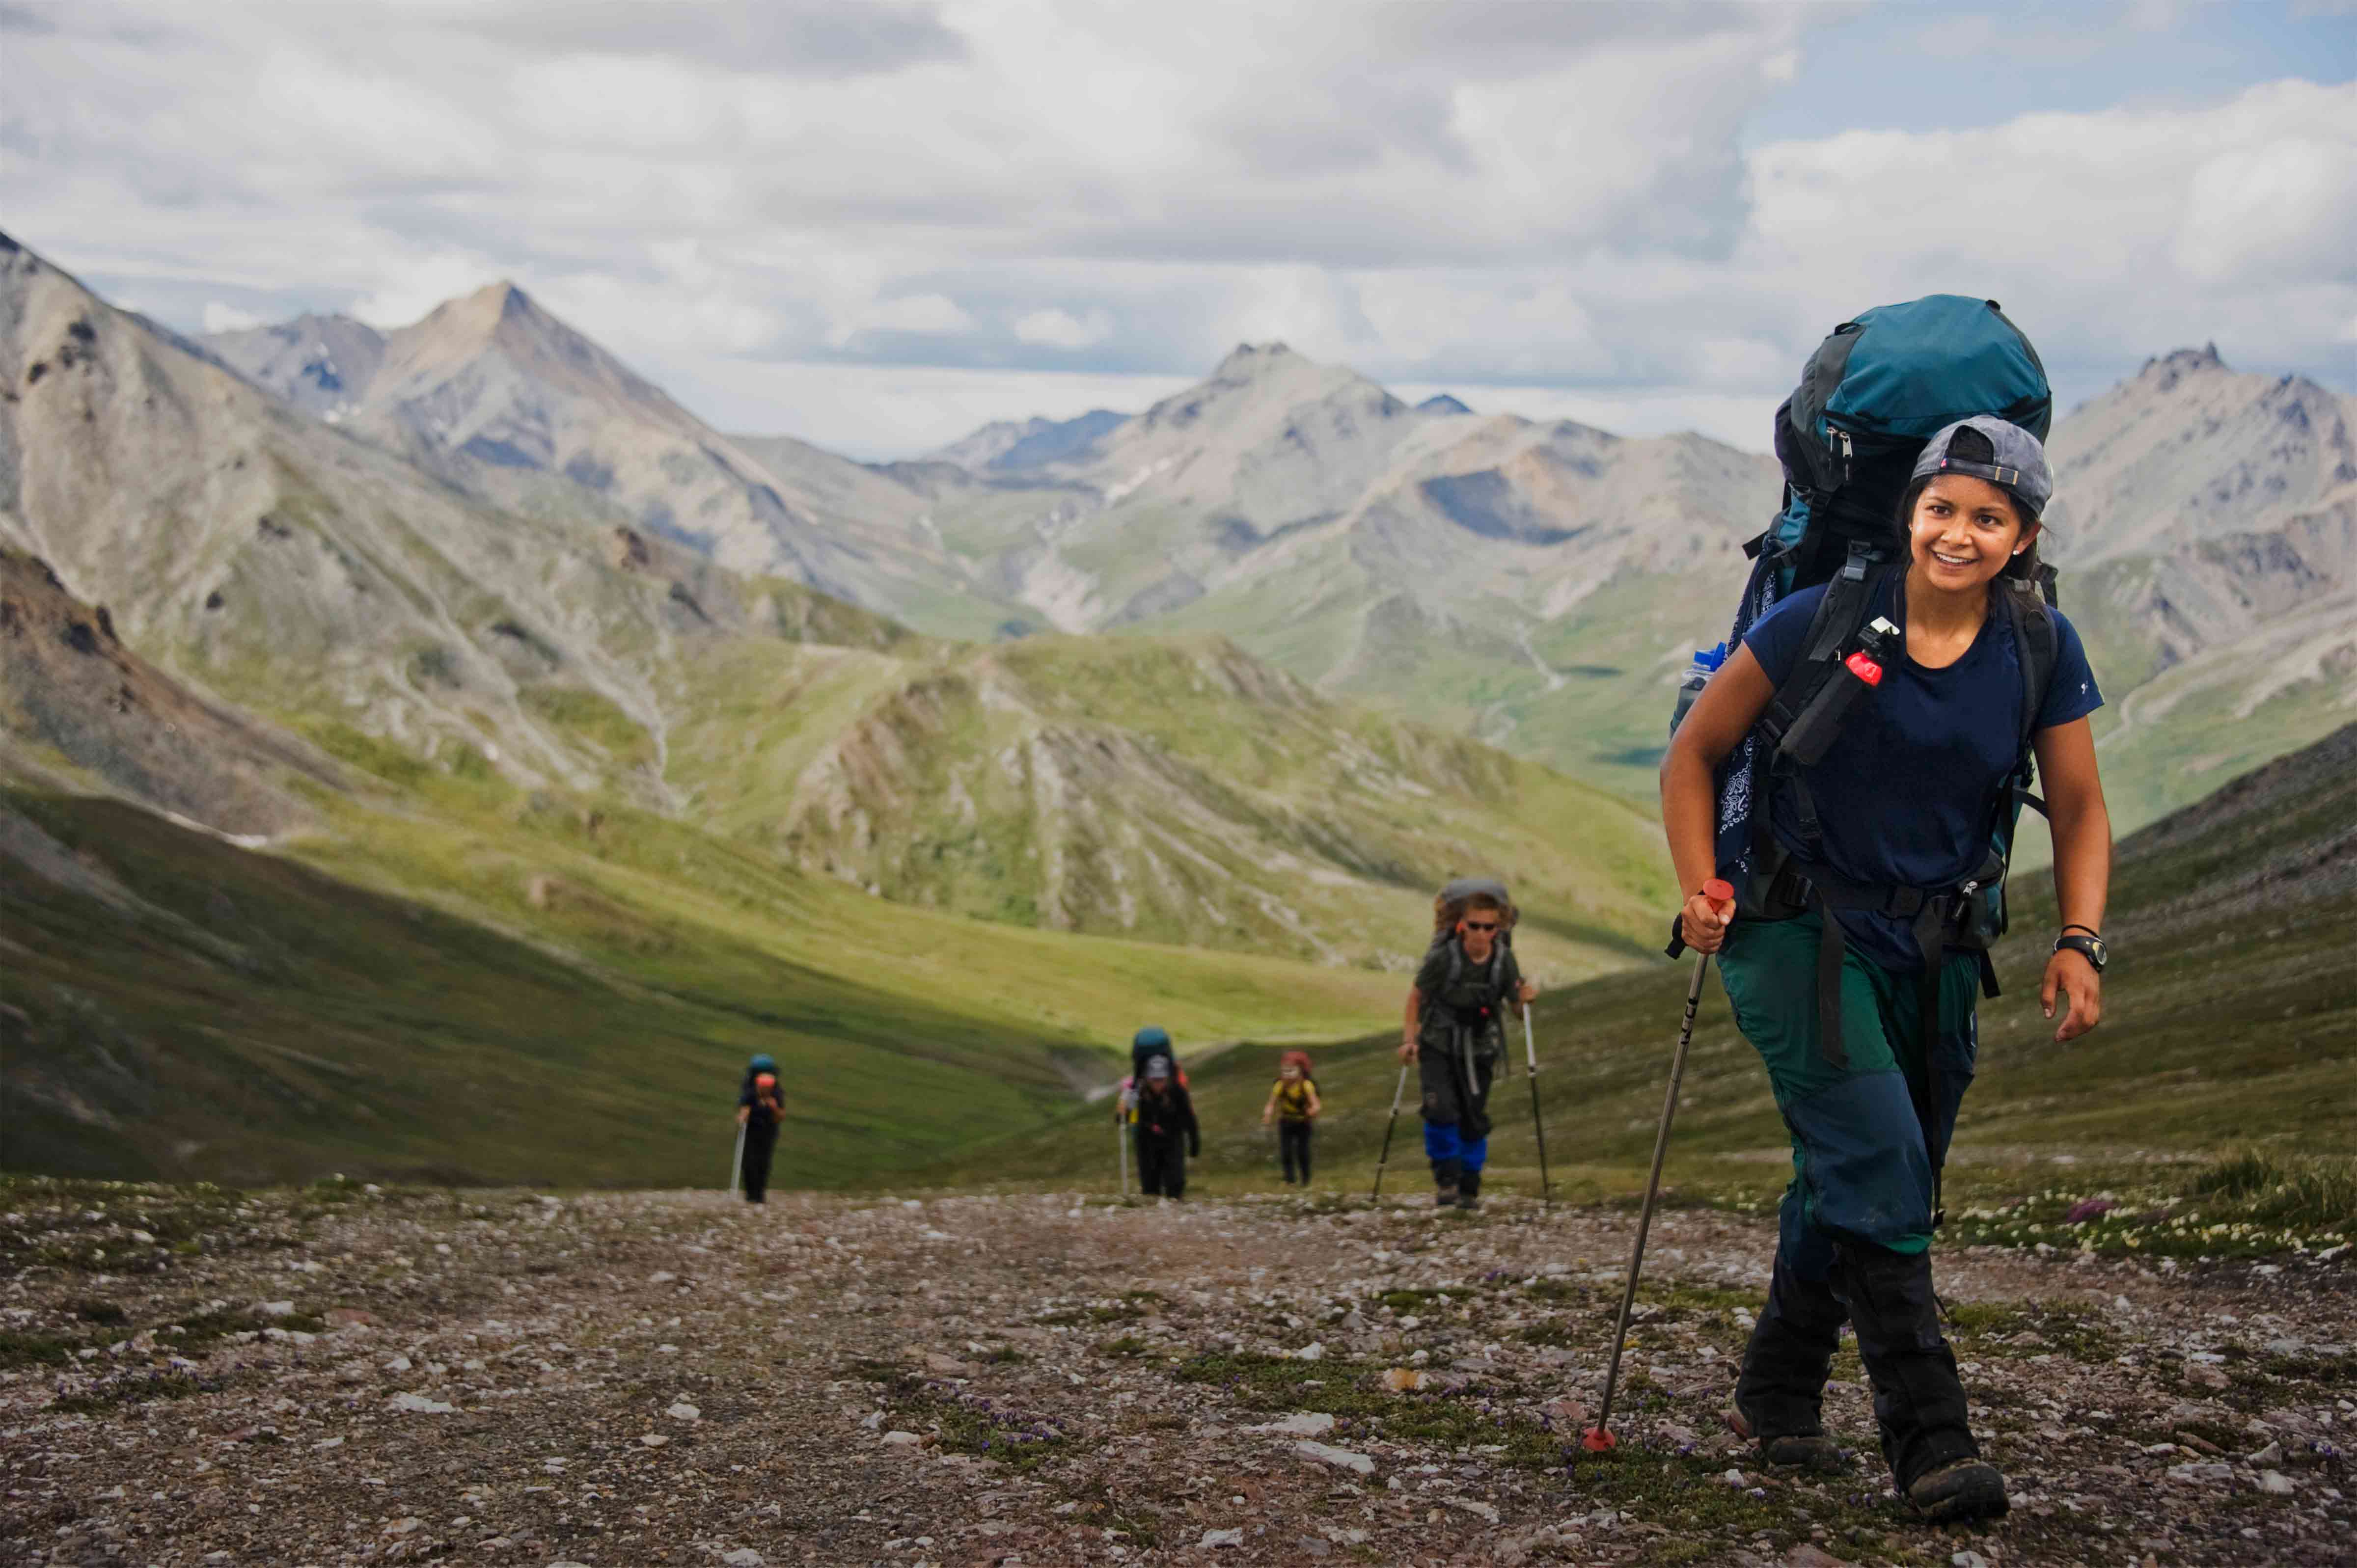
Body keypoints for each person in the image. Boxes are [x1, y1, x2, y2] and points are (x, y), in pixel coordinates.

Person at [1659, 418, 2110, 1524]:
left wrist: (2079, 938)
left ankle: (1774, 1393)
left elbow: (2084, 805)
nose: (1960, 534)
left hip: (1940, 942)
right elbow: (1694, 755)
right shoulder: (1816, 617)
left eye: (1988, 518)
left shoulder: (2042, 646)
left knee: (1881, 1168)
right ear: (1910, 512)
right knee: (1875, 1159)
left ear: (2025, 535)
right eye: (1943, 508)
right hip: (1795, 928)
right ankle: (1931, 1439)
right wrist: (1698, 882)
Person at [1399, 891, 1536, 1210]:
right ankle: (1447, 1181)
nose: (1482, 934)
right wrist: (1410, 1040)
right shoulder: (1443, 958)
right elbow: (1416, 997)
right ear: (1462, 925)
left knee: (1474, 1118)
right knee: (1440, 1109)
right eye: (1475, 926)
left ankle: (1469, 1187)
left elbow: (1516, 1009)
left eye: (1489, 928)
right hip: (1437, 1044)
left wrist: (1525, 1000)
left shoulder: (1505, 961)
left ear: (1498, 930)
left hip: (1481, 1048)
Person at [1130, 1054, 1200, 1200]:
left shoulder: (1179, 1092)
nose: (1157, 1084)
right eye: (1154, 1080)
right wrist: (1123, 1115)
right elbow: (1129, 1110)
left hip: (1173, 1137)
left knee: (1175, 1182)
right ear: (1148, 1078)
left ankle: (1175, 1208)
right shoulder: (1140, 1092)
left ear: (1167, 1078)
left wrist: (1195, 1142)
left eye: (1161, 1079)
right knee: (1150, 1185)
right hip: (1148, 1140)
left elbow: (1189, 1118)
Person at [1261, 1050, 1322, 1185]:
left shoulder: (1306, 1085)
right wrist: (1268, 1115)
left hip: (1303, 1123)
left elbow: (1316, 1104)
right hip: (1286, 1122)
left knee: (1303, 1152)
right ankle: (1290, 1180)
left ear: (1300, 1070)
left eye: (1291, 1071)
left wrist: (1313, 1110)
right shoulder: (1280, 1085)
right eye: (1284, 1071)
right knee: (1286, 1152)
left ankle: (1306, 1180)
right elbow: (1271, 1103)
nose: (1287, 1075)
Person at [736, 1054, 784, 1204]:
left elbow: (780, 1116)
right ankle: (751, 1195)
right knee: (749, 1162)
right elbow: (742, 1110)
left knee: (763, 1162)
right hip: (751, 1130)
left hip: (768, 1130)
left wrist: (774, 1107)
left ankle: (759, 1195)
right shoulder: (749, 1090)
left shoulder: (776, 1092)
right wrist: (743, 1116)